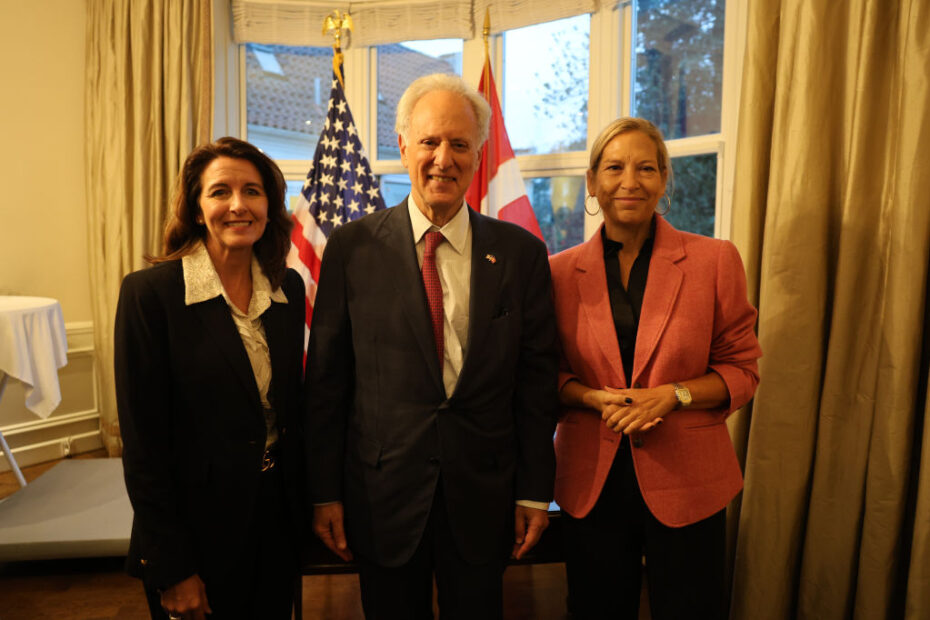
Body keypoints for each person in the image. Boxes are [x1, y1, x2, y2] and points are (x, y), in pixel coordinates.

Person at [304, 73, 559, 619]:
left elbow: (536, 385)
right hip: (382, 497)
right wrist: (324, 492)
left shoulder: (521, 254)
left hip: (485, 496)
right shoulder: (352, 250)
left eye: (459, 144)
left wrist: (535, 492)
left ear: (478, 154)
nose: (443, 158)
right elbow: (328, 382)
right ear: (402, 147)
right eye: (429, 141)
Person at [549, 118, 762, 620]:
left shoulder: (714, 260)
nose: (630, 181)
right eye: (615, 167)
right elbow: (544, 375)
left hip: (690, 485)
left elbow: (742, 369)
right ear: (592, 182)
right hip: (591, 486)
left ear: (665, 179)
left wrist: (673, 395)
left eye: (646, 168)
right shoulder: (556, 272)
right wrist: (591, 397)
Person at [114, 137, 305, 620]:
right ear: (198, 210)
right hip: (194, 535)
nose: (238, 205)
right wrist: (172, 567)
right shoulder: (149, 295)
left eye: (253, 192)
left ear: (269, 206)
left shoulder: (288, 288)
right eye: (220, 192)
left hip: (274, 523)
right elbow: (144, 448)